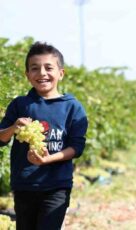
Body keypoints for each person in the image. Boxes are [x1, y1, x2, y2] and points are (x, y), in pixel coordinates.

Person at [0, 41, 88, 230]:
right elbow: (1, 138)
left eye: (48, 68)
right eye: (34, 68)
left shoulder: (72, 107)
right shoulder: (20, 105)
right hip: (24, 184)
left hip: (57, 185)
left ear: (61, 73)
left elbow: (76, 147)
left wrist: (48, 159)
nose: (42, 73)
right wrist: (14, 126)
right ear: (27, 75)